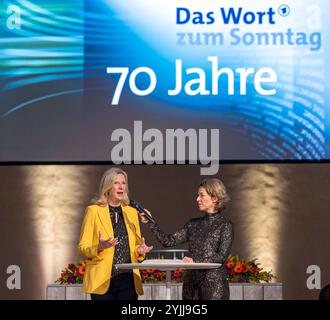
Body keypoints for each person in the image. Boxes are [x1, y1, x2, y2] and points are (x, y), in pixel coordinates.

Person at [140, 178, 234, 300]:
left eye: (201, 195)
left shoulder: (225, 225)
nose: (197, 199)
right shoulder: (193, 224)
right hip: (191, 286)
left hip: (214, 287)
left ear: (215, 198)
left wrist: (194, 260)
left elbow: (221, 257)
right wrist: (150, 222)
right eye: (198, 195)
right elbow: (168, 241)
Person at [77, 167, 153, 300]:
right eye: (116, 183)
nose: (121, 187)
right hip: (102, 281)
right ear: (107, 187)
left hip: (128, 280)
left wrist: (140, 250)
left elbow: (135, 246)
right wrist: (99, 247)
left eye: (123, 183)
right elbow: (83, 247)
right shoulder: (93, 211)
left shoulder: (131, 212)